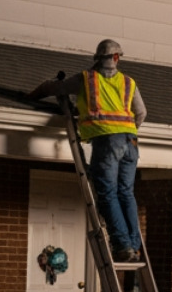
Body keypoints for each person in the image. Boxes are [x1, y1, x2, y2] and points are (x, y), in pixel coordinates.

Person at [30, 39, 145, 262]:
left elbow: (53, 88)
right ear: (117, 58)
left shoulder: (86, 79)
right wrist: (126, 133)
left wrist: (31, 95)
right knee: (126, 193)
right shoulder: (129, 82)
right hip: (131, 143)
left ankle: (123, 246)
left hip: (107, 141)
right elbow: (141, 113)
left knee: (108, 193)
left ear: (97, 58)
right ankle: (133, 245)